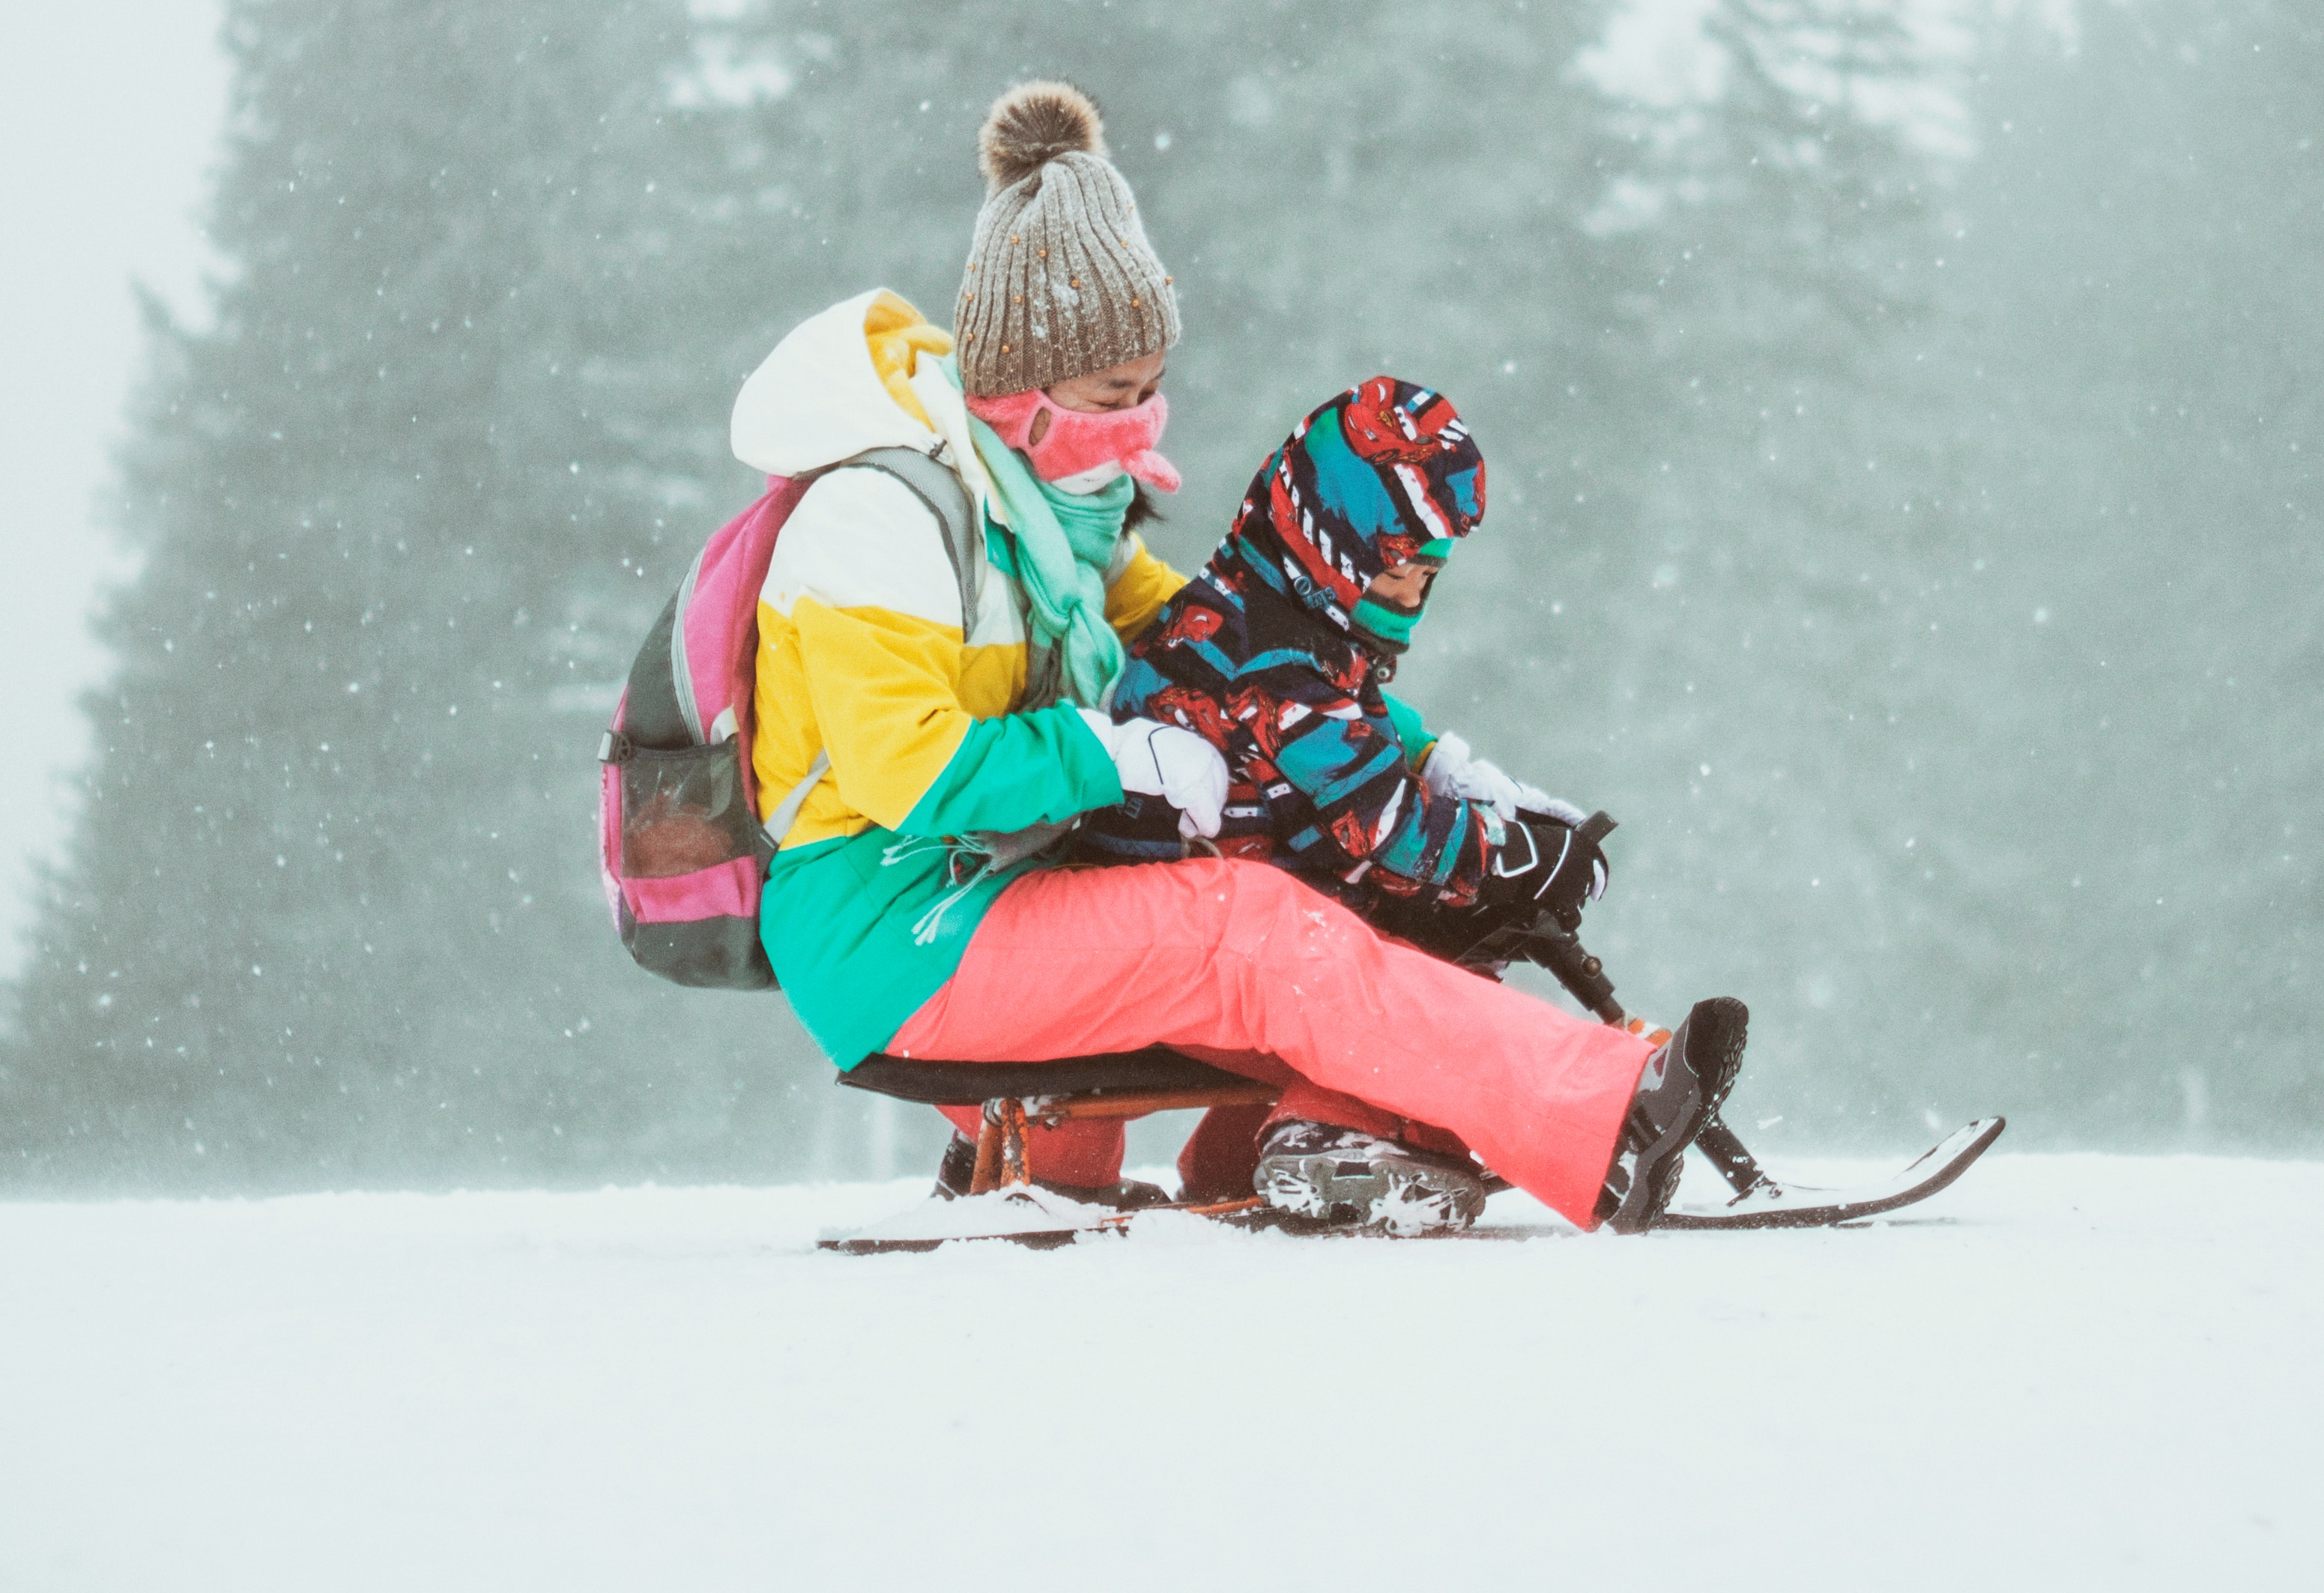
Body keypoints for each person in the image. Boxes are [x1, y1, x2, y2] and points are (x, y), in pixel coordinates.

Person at [730, 80, 1744, 1235]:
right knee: (1244, 931)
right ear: (1020, 389)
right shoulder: (882, 520)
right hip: (890, 929)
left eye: (1153, 390)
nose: (1142, 422)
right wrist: (1112, 756)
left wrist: (1427, 762)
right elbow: (897, 771)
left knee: (1327, 897)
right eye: (1115, 393)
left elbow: (1231, 654)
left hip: (999, 888)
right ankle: (1603, 1120)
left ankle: (1289, 1149)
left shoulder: (1052, 520)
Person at [1080, 378, 1624, 1224]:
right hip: (1216, 939)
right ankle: (1334, 1138)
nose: (1409, 597)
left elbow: (1358, 764)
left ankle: (1240, 1154)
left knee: (1405, 919)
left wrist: (1468, 795)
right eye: (1394, 568)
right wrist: (1520, 857)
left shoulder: (1260, 607)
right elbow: (1388, 831)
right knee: (1422, 958)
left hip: (1208, 917)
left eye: (1427, 574)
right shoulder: (1279, 661)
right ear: (1329, 546)